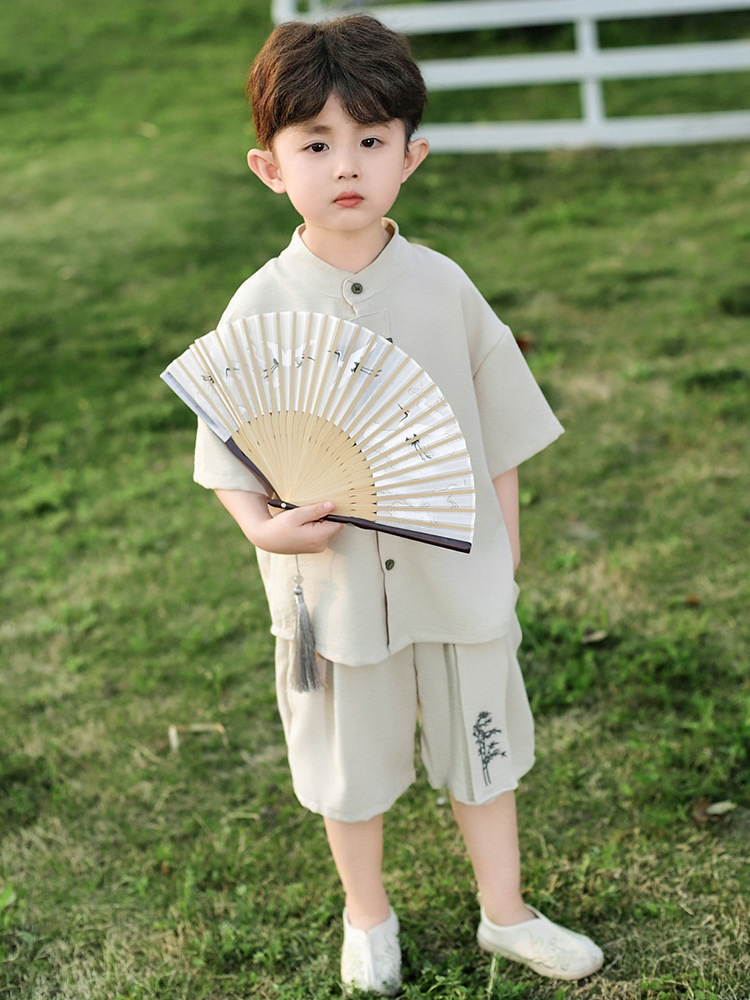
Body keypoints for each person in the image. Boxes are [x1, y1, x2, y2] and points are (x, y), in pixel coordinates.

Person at [192, 14, 604, 995]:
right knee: (349, 767)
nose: (347, 165)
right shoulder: (260, 308)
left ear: (411, 156)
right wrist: (264, 529)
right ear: (268, 168)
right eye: (316, 144)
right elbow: (229, 458)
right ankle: (367, 915)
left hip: (455, 583)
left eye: (371, 140)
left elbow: (500, 428)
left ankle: (506, 912)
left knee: (483, 750)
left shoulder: (445, 288)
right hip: (330, 595)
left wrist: (504, 554)